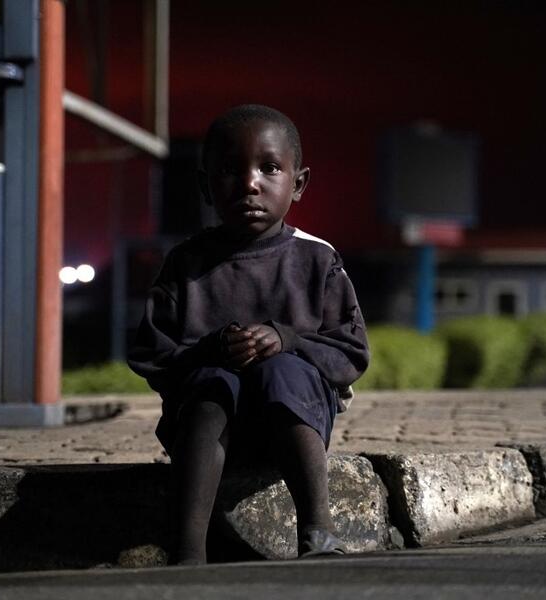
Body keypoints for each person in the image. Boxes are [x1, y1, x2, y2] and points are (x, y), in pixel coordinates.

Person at [128, 104, 369, 565]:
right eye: (229, 171)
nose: (250, 183)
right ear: (205, 186)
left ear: (297, 184)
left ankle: (318, 535)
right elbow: (151, 352)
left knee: (282, 370)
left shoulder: (317, 260)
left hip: (295, 420)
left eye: (270, 168)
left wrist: (287, 339)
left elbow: (351, 350)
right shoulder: (186, 263)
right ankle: (187, 553)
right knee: (213, 382)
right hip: (207, 427)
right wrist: (211, 349)